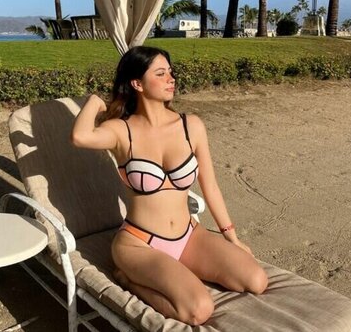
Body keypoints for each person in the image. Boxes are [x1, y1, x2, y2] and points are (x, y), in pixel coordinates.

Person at [71, 46, 268, 325]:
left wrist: (232, 238)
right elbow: (79, 137)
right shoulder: (121, 131)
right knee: (198, 310)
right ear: (137, 84)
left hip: (189, 236)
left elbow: (210, 186)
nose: (171, 79)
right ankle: (128, 280)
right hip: (139, 244)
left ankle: (176, 270)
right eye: (161, 74)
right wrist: (94, 102)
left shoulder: (191, 126)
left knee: (256, 280)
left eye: (171, 73)